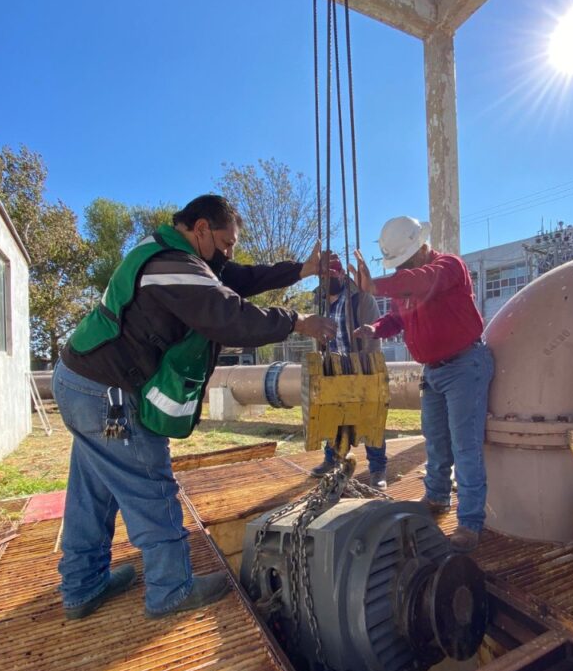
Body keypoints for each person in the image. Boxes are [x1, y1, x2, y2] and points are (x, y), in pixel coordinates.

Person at [54, 193, 337, 620]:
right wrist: (297, 321)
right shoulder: (171, 265)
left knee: (91, 490)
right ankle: (170, 589)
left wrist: (300, 270)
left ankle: (82, 584)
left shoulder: (174, 256)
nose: (229, 254)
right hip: (108, 394)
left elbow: (236, 277)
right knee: (152, 485)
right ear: (201, 228)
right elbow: (229, 315)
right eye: (225, 243)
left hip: (83, 383)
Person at [350, 215, 494, 552]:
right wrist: (376, 329)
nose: (400, 270)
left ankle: (470, 523)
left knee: (465, 447)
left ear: (420, 248)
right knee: (437, 442)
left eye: (403, 261)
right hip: (434, 371)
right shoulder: (410, 281)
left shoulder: (448, 267)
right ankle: (437, 498)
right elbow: (399, 317)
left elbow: (423, 281)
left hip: (463, 365)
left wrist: (374, 286)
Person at [309, 263, 388, 488]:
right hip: (334, 369)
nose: (331, 276)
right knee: (334, 417)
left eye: (335, 272)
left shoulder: (361, 299)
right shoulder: (321, 303)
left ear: (343, 274)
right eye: (326, 273)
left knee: (370, 419)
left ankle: (378, 468)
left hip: (362, 367)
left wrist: (368, 368)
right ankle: (332, 460)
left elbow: (374, 336)